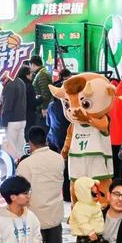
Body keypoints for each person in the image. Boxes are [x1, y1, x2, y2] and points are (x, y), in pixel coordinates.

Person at [16, 126, 68, 243]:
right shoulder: (58, 158)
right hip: (55, 213)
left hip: (34, 215)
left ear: (30, 143)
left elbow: (21, 190)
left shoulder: (25, 164)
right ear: (45, 139)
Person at [46, 69, 73, 201]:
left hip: (52, 139)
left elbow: (48, 123)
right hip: (65, 140)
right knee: (66, 168)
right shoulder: (69, 106)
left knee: (55, 168)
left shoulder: (51, 105)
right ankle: (67, 195)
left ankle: (54, 193)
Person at [0, 73, 27, 160]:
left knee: (11, 147)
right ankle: (23, 163)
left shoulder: (10, 85)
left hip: (12, 120)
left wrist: (4, 123)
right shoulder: (21, 82)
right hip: (22, 118)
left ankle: (14, 164)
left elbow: (7, 106)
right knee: (20, 146)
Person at [30, 55, 53, 126]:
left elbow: (45, 94)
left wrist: (44, 108)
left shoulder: (42, 74)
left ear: (33, 64)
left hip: (43, 109)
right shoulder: (41, 73)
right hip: (41, 107)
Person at [18, 65, 39, 141]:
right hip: (29, 115)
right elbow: (32, 103)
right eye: (30, 73)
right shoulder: (29, 86)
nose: (31, 75)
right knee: (28, 135)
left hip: (18, 115)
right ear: (26, 75)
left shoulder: (17, 85)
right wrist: (41, 99)